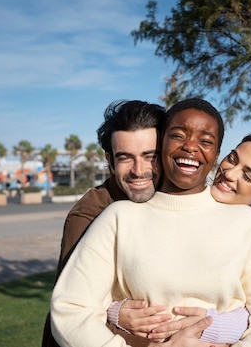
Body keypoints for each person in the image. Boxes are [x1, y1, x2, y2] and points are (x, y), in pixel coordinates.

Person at [50, 98, 251, 347]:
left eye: (205, 141)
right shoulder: (117, 218)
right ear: (162, 142)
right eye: (178, 135)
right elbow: (72, 309)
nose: (190, 147)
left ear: (216, 154)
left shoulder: (248, 225)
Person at [110, 132, 251, 341]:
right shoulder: (183, 200)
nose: (230, 173)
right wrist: (116, 312)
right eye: (232, 159)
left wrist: (204, 326)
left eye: (247, 175)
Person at [41, 100, 166, 347]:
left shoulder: (174, 199)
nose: (139, 170)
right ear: (110, 160)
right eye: (125, 158)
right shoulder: (89, 216)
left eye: (150, 156)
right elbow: (69, 314)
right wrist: (114, 314)